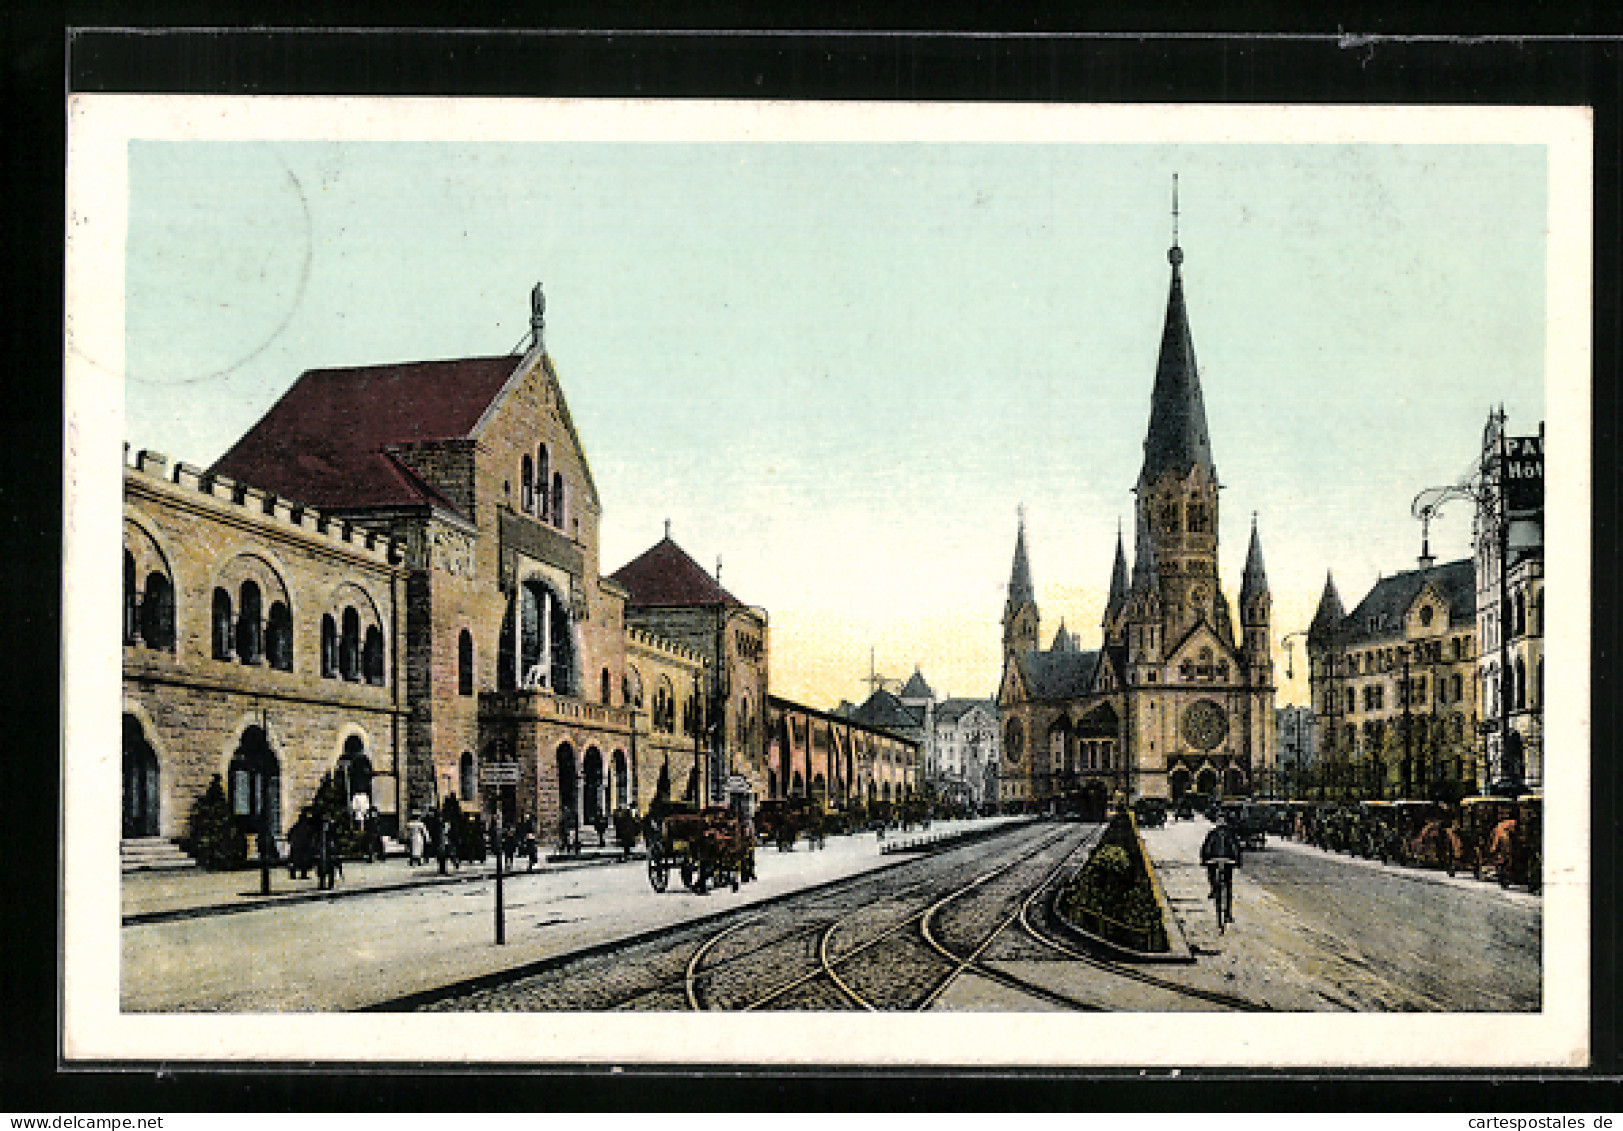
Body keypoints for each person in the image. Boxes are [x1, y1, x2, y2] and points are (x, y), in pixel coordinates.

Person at [1200, 813, 1243, 929]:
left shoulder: (1212, 834)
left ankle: (1214, 889)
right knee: (1228, 886)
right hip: (1228, 861)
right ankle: (1228, 913)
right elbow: (1236, 848)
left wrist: (1204, 860)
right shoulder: (1231, 834)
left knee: (1212, 876)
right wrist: (1237, 862)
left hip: (1214, 861)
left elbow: (1206, 847)